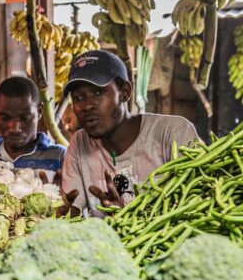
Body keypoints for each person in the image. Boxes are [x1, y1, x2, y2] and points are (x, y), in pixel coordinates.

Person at [60, 50, 199, 217]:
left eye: (98, 92)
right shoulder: (80, 144)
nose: (87, 106)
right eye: (78, 98)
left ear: (125, 92)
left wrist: (127, 217)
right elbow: (71, 213)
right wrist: (57, 209)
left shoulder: (173, 133)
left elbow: (199, 206)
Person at [0, 76, 66, 174]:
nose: (15, 128)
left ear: (39, 111)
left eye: (24, 118)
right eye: (5, 118)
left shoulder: (59, 157)